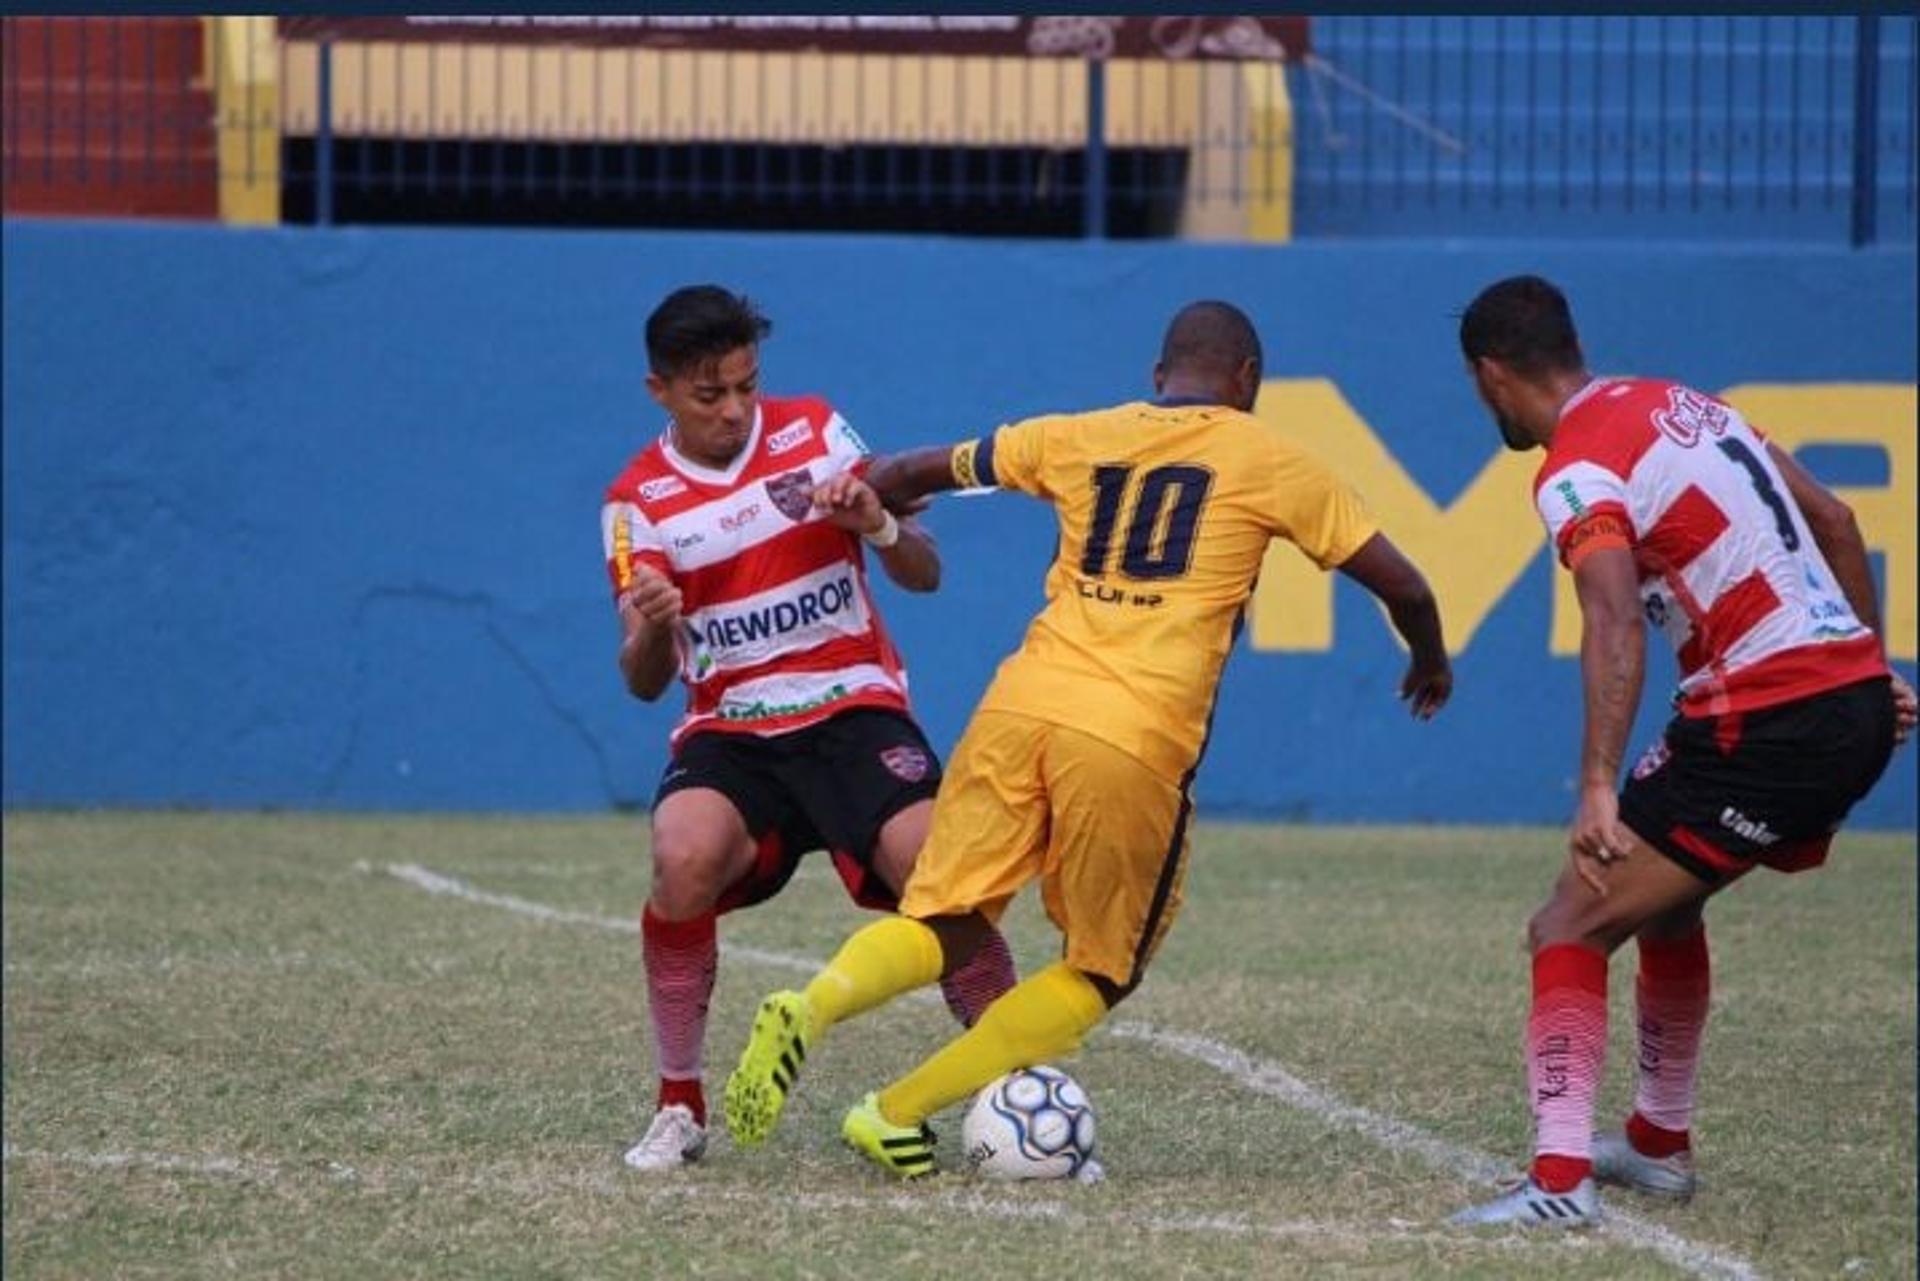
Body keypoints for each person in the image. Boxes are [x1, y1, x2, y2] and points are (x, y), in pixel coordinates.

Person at [722, 299, 1453, 1176]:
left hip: (1020, 705)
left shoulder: (1078, 433)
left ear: (1156, 377)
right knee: (1102, 970)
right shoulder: (1274, 460)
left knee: (946, 918)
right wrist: (1430, 660)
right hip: (1132, 733)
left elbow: (922, 468)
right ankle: (891, 1109)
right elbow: (1404, 584)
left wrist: (862, 487)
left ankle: (814, 1002)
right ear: (1249, 384)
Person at [1447, 275, 1917, 1227]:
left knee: (1568, 923)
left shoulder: (1575, 465)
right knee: (1669, 905)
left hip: (1770, 713)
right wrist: (1871, 663)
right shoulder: (1687, 404)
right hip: (1837, 698)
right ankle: (1658, 1145)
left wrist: (1592, 784)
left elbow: (1613, 618)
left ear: (1493, 375)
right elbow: (1837, 522)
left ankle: (1558, 1181)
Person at [601, 285, 1018, 1172]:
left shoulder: (819, 432)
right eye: (709, 395)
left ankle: (1012, 1086)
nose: (735, 409)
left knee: (944, 874)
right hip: (733, 731)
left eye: (747, 386)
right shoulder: (637, 502)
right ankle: (679, 1104)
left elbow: (925, 572)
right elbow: (642, 683)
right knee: (681, 854)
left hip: (853, 708)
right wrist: (649, 625)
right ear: (660, 391)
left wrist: (877, 523)